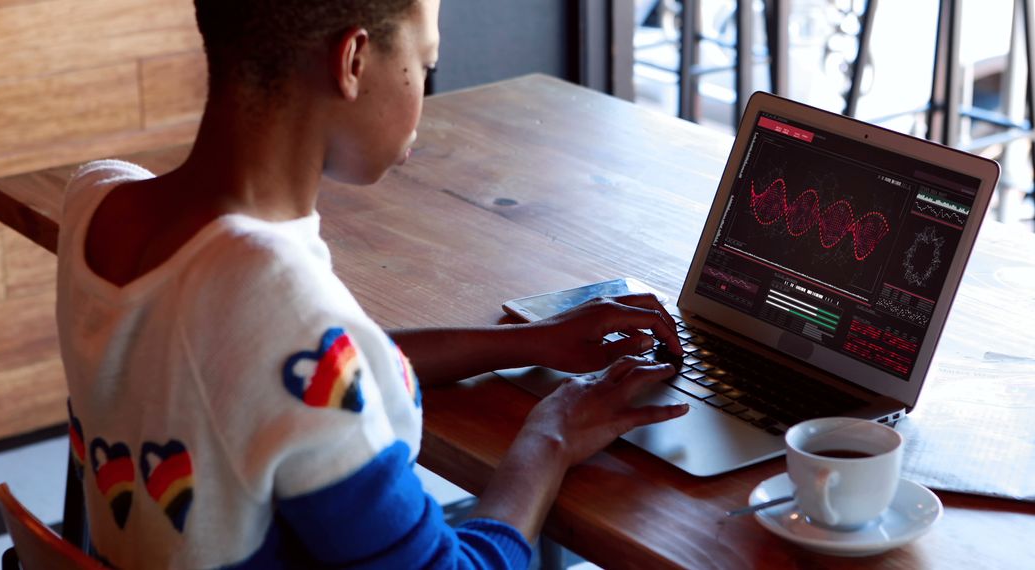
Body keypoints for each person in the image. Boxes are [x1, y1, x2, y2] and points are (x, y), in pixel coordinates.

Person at [56, 0, 688, 567]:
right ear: (353, 60)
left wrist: (528, 342)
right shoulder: (274, 296)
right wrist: (552, 437)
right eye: (426, 61)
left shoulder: (98, 200)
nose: (427, 89)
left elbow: (290, 369)